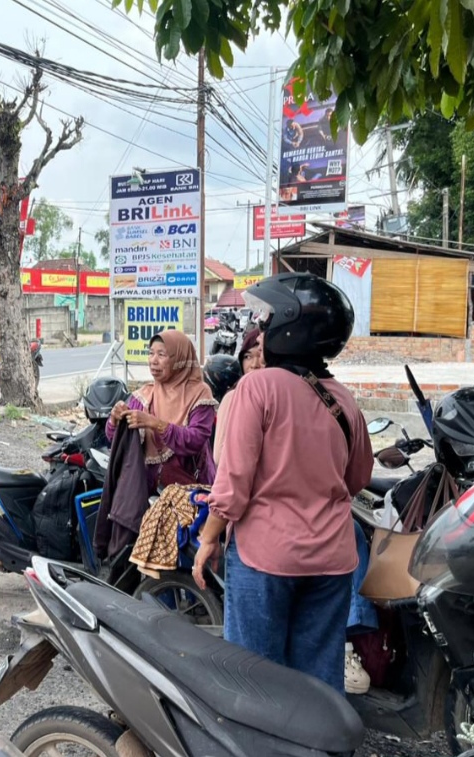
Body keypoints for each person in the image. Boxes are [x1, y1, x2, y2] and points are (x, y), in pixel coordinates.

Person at [191, 273, 373, 694]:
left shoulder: (257, 387)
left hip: (265, 559)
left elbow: (232, 484)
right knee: (318, 679)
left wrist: (207, 541)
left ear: (291, 327)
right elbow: (357, 478)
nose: (264, 329)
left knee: (256, 679)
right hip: (332, 558)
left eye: (269, 321)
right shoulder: (344, 399)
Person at [107, 329, 217, 492]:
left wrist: (154, 423)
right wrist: (115, 420)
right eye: (151, 353)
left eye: (162, 354)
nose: (153, 360)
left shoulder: (199, 393)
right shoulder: (144, 395)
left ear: (179, 358)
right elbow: (117, 441)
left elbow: (195, 440)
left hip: (191, 494)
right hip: (149, 493)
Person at [212, 327, 264, 465]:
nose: (254, 365)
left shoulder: (278, 396)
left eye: (260, 356)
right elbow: (220, 457)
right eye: (248, 357)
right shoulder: (233, 398)